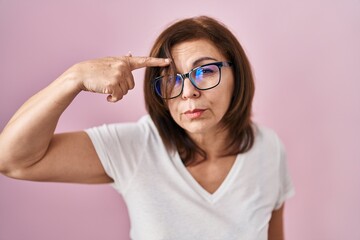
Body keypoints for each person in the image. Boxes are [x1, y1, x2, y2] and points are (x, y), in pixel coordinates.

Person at [0, 16, 294, 240]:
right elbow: (11, 159)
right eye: (171, 79)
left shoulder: (268, 148)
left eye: (205, 71)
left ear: (237, 75)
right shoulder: (137, 147)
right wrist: (73, 78)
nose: (188, 92)